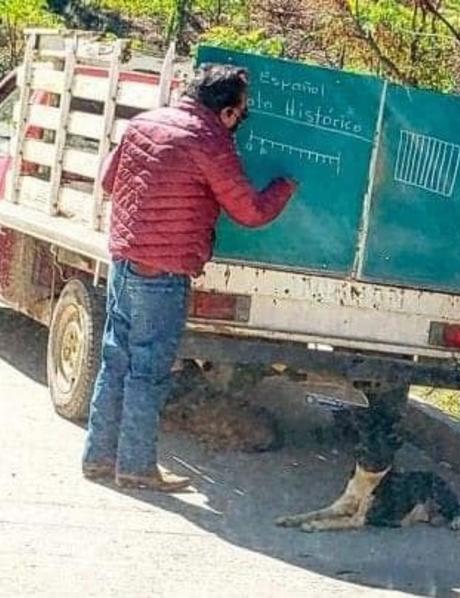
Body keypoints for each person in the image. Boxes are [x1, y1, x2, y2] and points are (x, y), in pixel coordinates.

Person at [81, 64, 298, 492]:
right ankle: (138, 468)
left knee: (115, 362)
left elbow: (108, 181)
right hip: (164, 272)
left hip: (124, 260)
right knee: (148, 372)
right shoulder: (210, 142)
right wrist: (284, 187)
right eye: (243, 113)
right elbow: (250, 212)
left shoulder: (142, 123)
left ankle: (98, 458)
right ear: (230, 112)